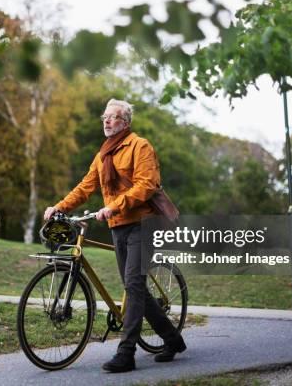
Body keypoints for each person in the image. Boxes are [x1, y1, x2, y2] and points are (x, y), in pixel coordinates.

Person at [43, 98, 186, 373]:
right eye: (105, 117)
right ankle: (173, 339)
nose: (107, 121)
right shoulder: (103, 155)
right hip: (119, 225)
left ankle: (126, 353)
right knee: (136, 289)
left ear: (126, 123)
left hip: (145, 223)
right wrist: (58, 207)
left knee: (132, 285)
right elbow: (85, 188)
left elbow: (147, 185)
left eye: (114, 117)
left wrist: (113, 206)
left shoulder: (140, 146)